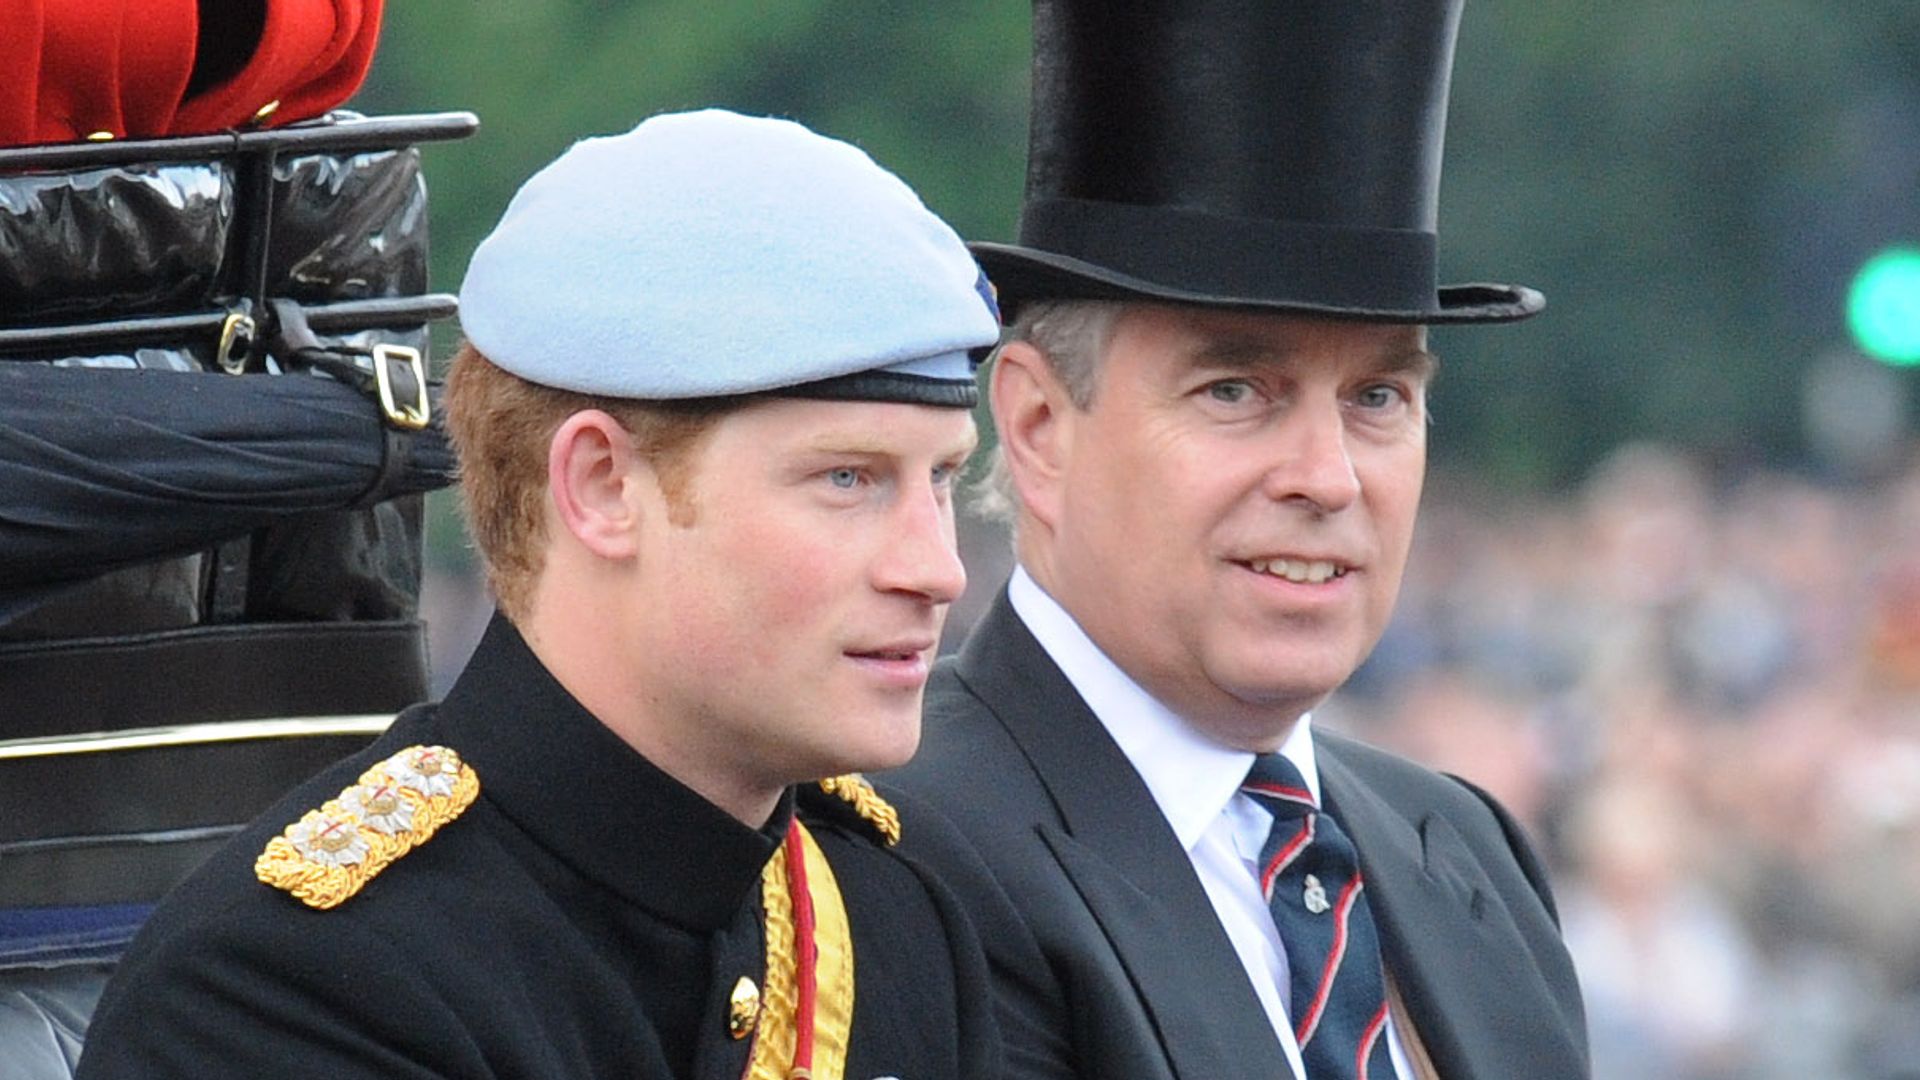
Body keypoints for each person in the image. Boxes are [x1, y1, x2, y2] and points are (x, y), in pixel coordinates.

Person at [76, 108, 1007, 1080]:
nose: (937, 569)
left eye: (941, 478)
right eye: (848, 480)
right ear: (603, 487)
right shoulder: (293, 991)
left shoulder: (895, 913)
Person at [885, 3, 1590, 1079]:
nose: (1327, 476)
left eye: (1379, 396)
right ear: (1036, 428)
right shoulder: (892, 857)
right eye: (1235, 390)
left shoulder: (1462, 848)